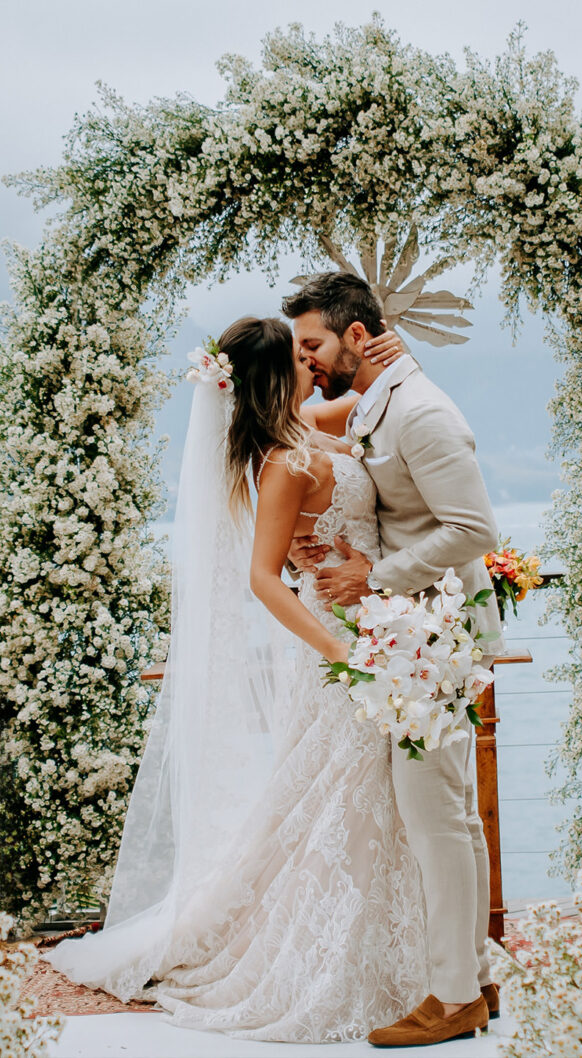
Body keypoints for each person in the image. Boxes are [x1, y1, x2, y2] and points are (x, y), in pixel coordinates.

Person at [43, 316, 431, 1044]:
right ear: (270, 376)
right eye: (300, 354)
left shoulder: (314, 423)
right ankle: (335, 960)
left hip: (373, 625)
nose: (316, 362)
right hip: (339, 647)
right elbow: (263, 578)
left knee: (362, 798)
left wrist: (396, 356)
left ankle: (411, 953)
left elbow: (386, 398)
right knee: (345, 800)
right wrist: (340, 656)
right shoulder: (284, 461)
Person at [282, 271, 504, 1048]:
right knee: (448, 818)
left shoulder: (419, 411)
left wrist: (373, 575)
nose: (304, 359)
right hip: (418, 630)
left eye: (312, 343)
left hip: (431, 635)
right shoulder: (386, 396)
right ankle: (471, 979)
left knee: (432, 817)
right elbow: (390, 494)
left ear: (352, 336)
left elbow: (472, 527)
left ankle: (451, 999)